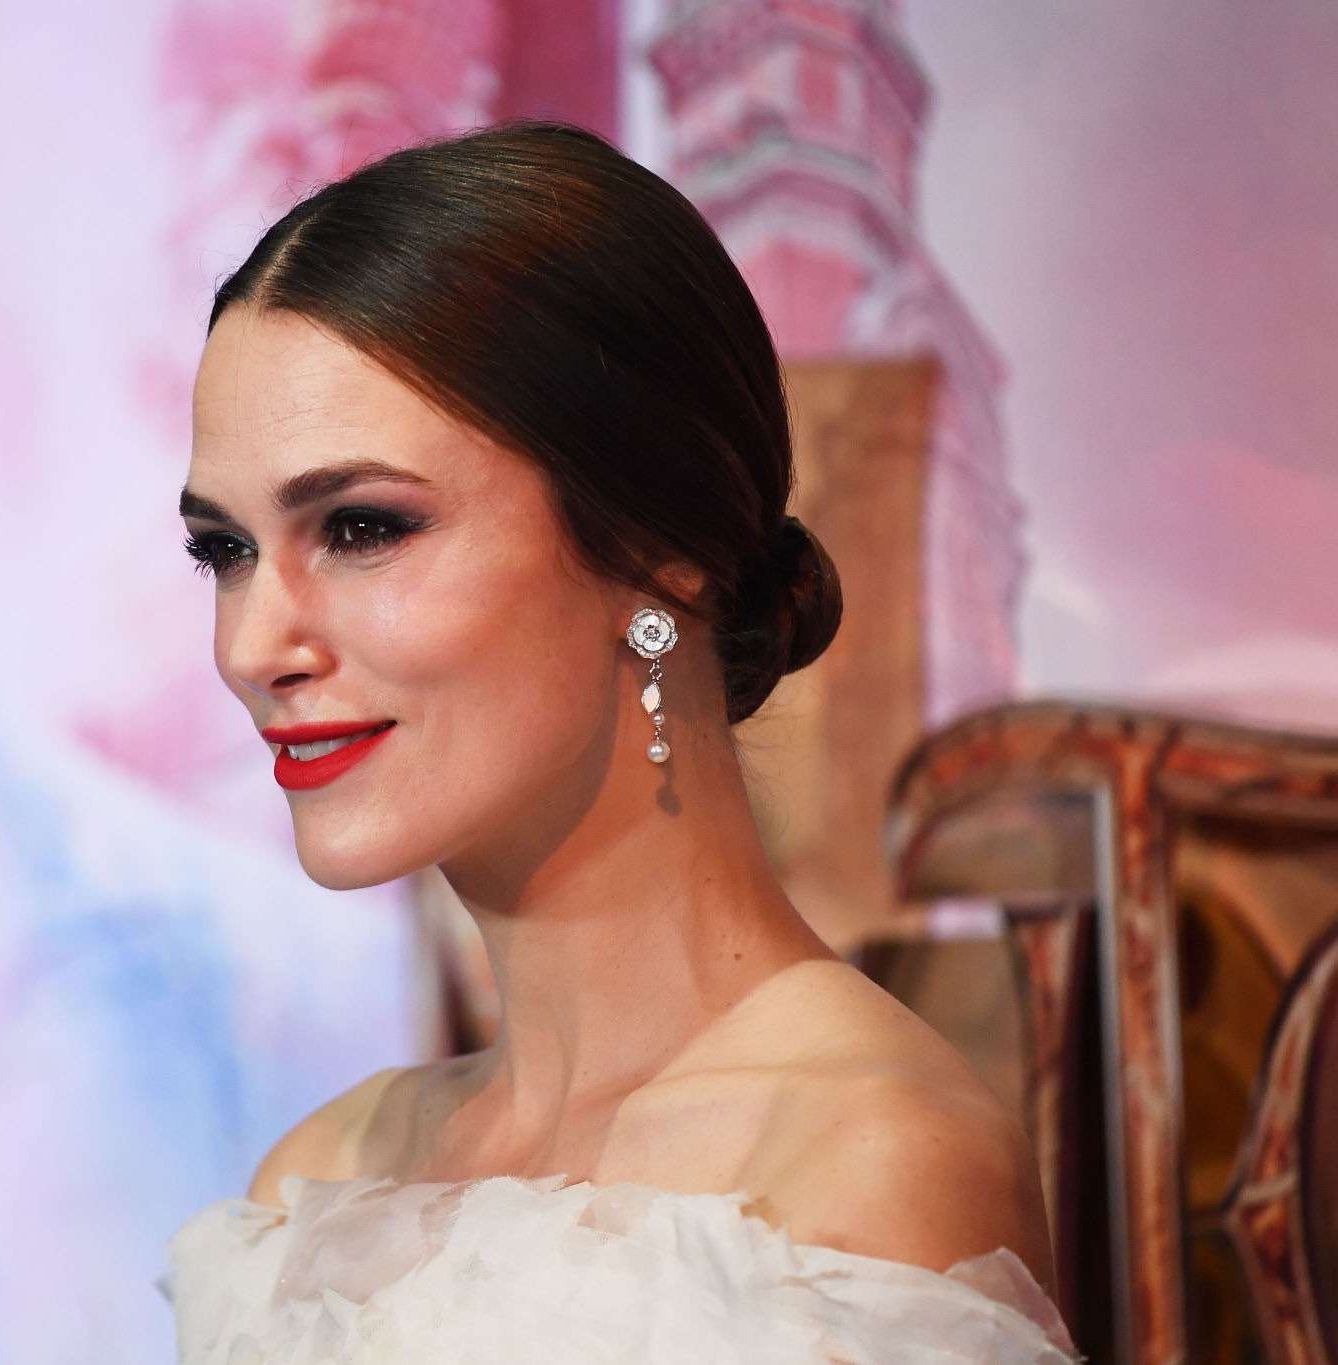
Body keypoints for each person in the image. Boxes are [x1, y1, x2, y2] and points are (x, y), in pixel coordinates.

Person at [161, 118, 1083, 1363]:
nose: (249, 644)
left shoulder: (854, 1172)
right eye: (222, 550)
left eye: (363, 527)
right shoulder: (311, 1189)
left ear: (657, 549)